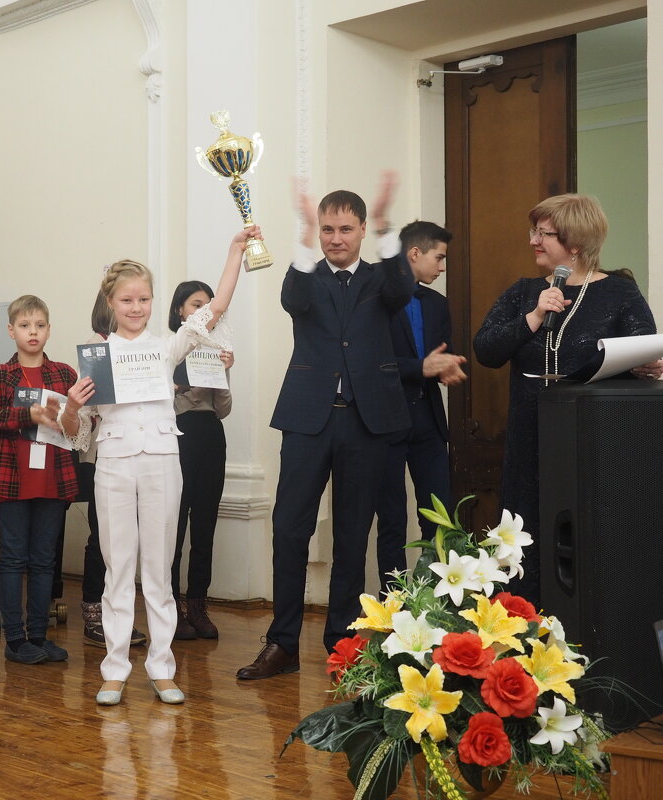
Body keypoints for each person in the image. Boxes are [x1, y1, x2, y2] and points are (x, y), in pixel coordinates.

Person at [62, 226, 257, 705]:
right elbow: (75, 432)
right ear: (111, 302)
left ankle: (163, 667)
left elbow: (215, 308)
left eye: (144, 299)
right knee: (117, 566)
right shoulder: (96, 355)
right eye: (127, 300)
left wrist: (234, 252)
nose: (136, 307)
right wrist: (70, 404)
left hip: (163, 463)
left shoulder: (168, 345)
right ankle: (114, 669)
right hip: (113, 464)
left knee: (159, 566)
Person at [237, 176, 415, 681]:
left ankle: (342, 644)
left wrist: (386, 228)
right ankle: (282, 642)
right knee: (289, 529)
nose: (336, 238)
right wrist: (298, 234)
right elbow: (292, 300)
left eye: (346, 229)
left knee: (353, 536)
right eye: (328, 229)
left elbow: (404, 288)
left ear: (361, 231)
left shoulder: (381, 279)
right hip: (307, 420)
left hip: (366, 422)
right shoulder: (305, 275)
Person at [473, 194, 659, 606]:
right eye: (534, 232)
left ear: (574, 244)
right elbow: (485, 349)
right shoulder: (525, 293)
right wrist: (534, 317)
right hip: (528, 445)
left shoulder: (620, 294)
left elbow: (642, 352)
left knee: (589, 541)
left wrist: (649, 366)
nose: (533, 241)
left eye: (544, 233)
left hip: (595, 447)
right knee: (525, 545)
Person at [0, 295, 78, 665]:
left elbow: (80, 424)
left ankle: (39, 636)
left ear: (48, 330)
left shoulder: (64, 374)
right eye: (26, 326)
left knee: (45, 560)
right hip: (13, 478)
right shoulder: (1, 375)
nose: (33, 332)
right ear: (11, 331)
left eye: (40, 325)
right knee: (14, 558)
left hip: (53, 477)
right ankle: (15, 640)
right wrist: (25, 415)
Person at [374, 221, 466, 586]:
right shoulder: (376, 299)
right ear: (415, 253)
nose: (442, 267)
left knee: (440, 517)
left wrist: (446, 368)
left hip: (428, 422)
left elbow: (439, 355)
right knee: (392, 521)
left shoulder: (438, 304)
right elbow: (370, 366)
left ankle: (437, 601)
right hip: (386, 423)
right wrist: (422, 368)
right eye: (439, 257)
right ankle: (392, 604)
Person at [78, 289, 147, 650]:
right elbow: (92, 403)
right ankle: (94, 612)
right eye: (124, 301)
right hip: (104, 453)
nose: (133, 308)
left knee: (130, 537)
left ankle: (119, 614)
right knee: (102, 535)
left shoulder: (143, 345)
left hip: (137, 451)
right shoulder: (97, 345)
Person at [168, 281, 234, 640]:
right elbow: (161, 403)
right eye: (197, 305)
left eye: (210, 305)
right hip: (178, 435)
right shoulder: (169, 347)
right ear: (181, 310)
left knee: (205, 523)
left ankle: (198, 604)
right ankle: (171, 607)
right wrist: (178, 384)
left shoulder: (216, 347)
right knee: (175, 524)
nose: (205, 311)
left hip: (210, 435)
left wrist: (223, 373)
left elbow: (223, 409)